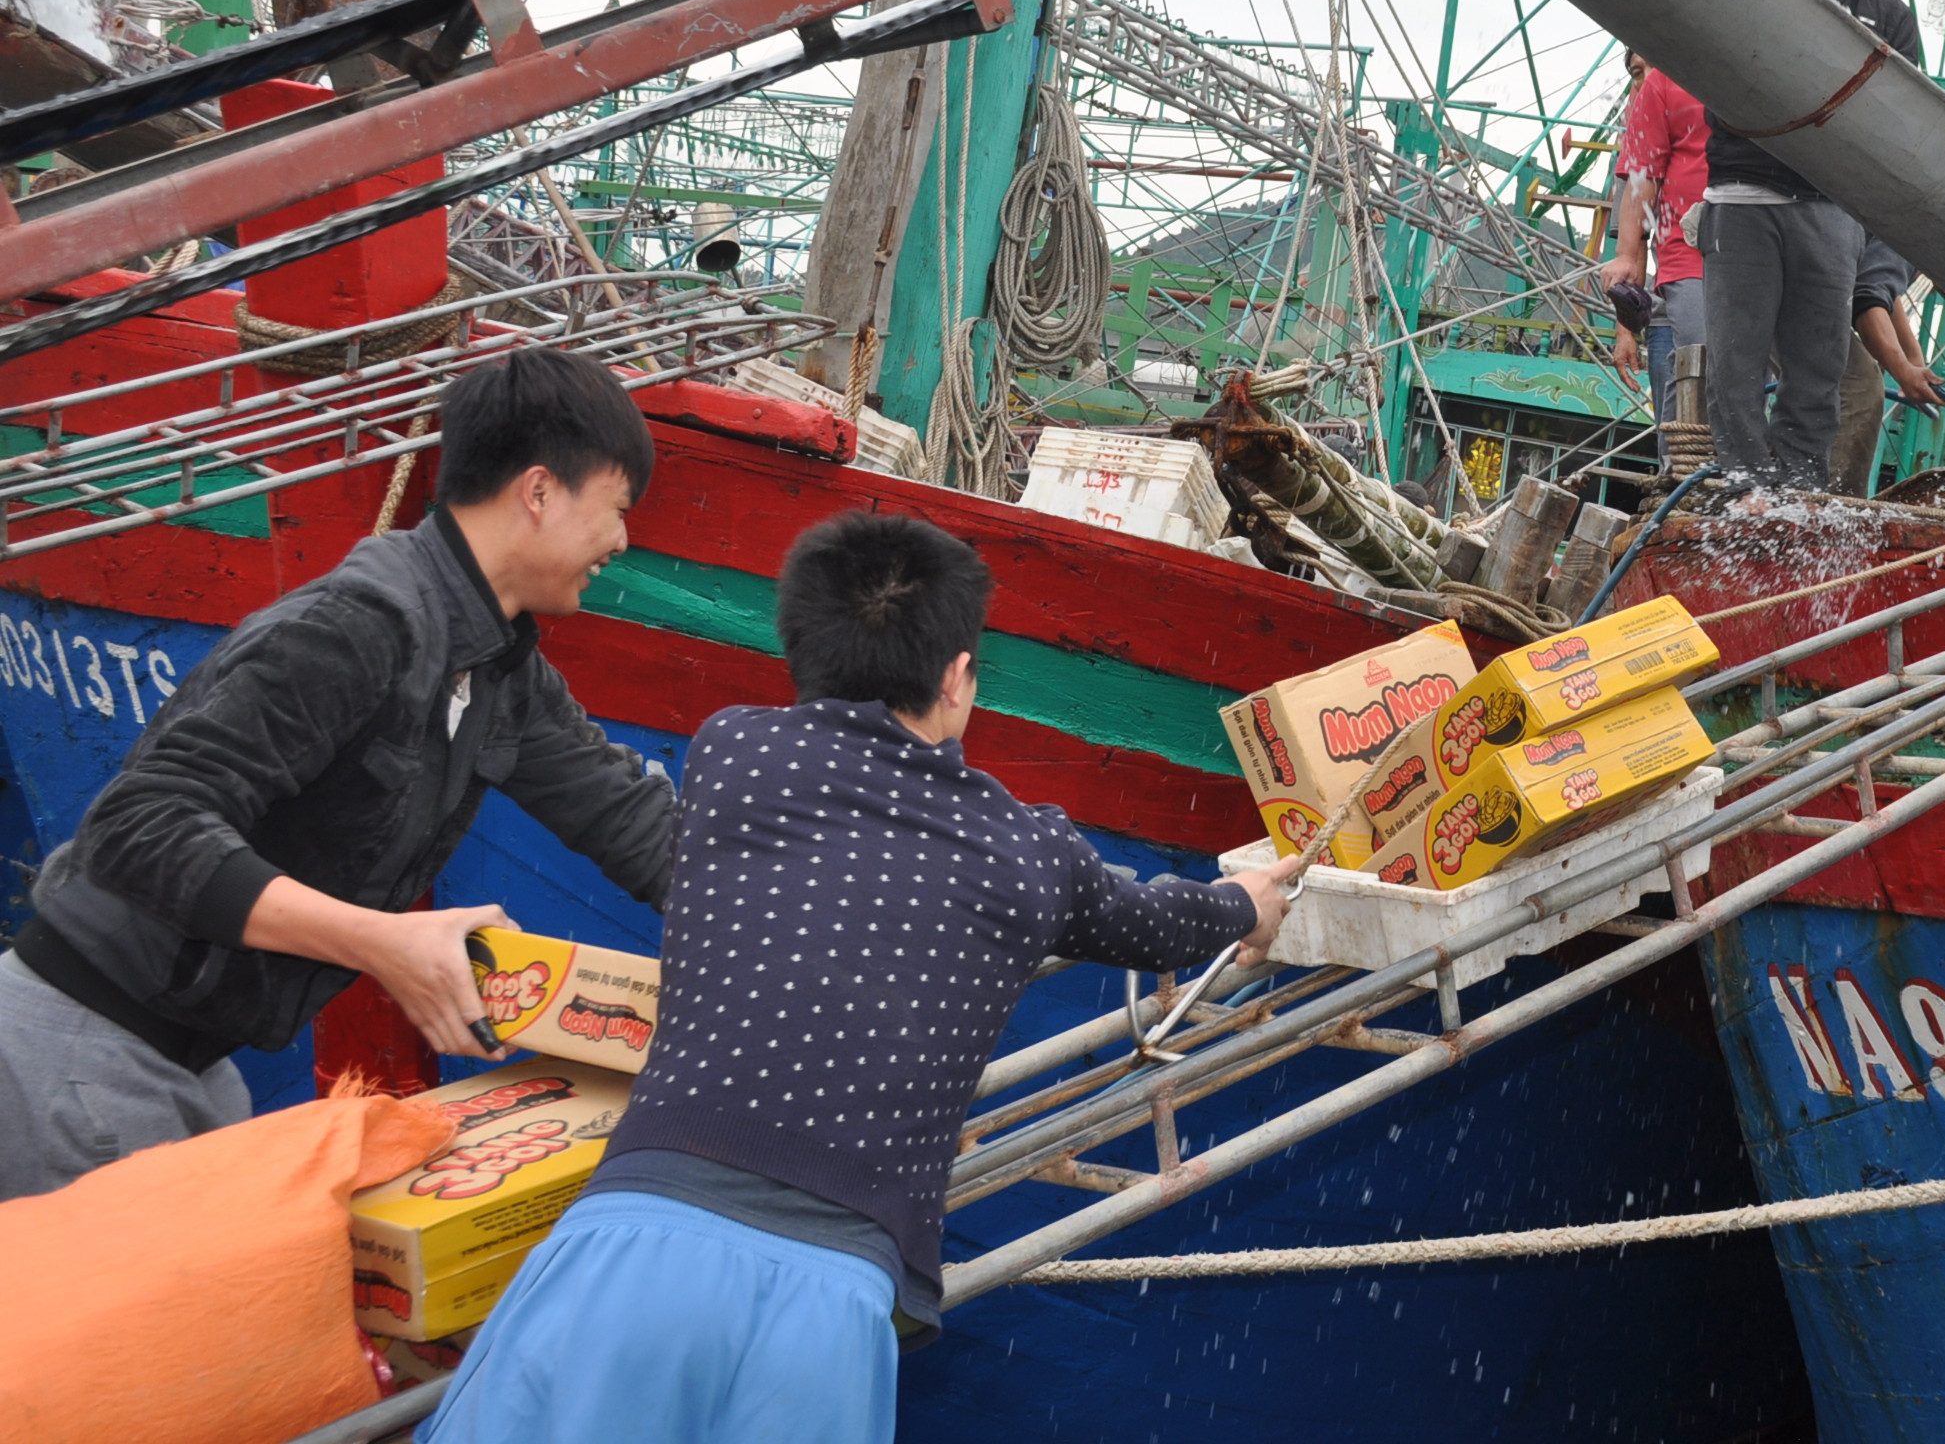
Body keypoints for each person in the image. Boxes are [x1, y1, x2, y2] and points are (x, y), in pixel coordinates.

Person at [420, 511, 1300, 1444]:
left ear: (801, 651)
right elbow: (1149, 922)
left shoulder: (733, 755)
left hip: (634, 1241)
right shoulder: (1029, 850)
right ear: (959, 677)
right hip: (829, 1298)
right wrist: (1245, 905)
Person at [0, 348, 678, 1198]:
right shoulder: (362, 623)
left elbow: (636, 823)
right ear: (539, 492)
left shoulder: (502, 672)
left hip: (194, 1060)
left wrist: (810, 936)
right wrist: (387, 944)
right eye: (617, 508)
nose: (622, 540)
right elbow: (141, 826)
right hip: (80, 1053)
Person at [1698, 0, 1922, 490]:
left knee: (1819, 369)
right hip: (1742, 198)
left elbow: (1902, 117)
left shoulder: (1886, 15)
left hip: (1831, 208)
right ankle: (1744, 492)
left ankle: (1798, 493)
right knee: (1734, 364)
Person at [1607, 48, 1712, 414]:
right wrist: (1625, 331)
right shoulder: (1637, 155)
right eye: (1638, 72)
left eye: (1656, 66)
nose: (1649, 79)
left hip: (1731, 275)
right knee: (1680, 420)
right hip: (1669, 304)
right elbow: (1630, 247)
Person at [1830, 235, 1945, 495]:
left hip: (1772, 277)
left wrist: (1913, 357)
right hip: (1787, 287)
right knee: (1859, 386)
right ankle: (1836, 513)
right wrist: (1902, 370)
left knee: (1820, 392)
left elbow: (1881, 288)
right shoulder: (1914, 234)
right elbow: (1867, 299)